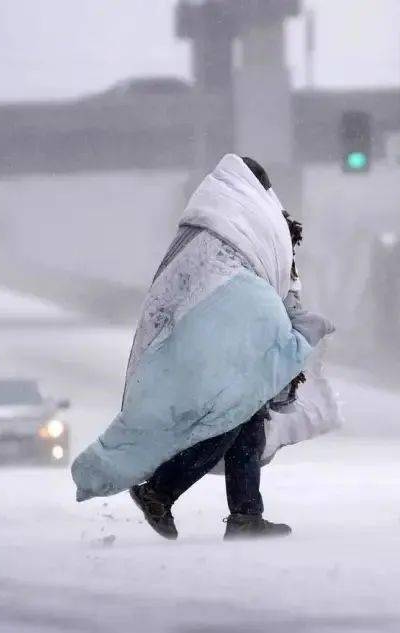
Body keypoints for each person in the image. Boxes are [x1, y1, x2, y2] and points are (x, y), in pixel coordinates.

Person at [71, 154, 330, 541]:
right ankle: (162, 490)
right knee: (231, 415)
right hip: (228, 336)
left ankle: (245, 514)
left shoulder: (205, 225)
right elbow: (277, 287)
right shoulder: (262, 224)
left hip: (200, 335)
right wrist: (291, 336)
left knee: (245, 418)